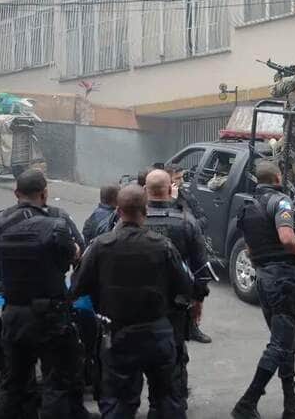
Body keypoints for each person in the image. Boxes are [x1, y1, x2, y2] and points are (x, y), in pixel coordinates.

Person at [0, 169, 93, 419]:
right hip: (51, 314)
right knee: (56, 384)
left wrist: (4, 271)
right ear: (45, 193)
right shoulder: (58, 219)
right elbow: (78, 253)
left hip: (14, 314)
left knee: (13, 386)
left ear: (16, 193)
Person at [70, 185, 193, 418]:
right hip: (158, 333)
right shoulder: (163, 246)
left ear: (118, 210)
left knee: (119, 402)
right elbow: (185, 287)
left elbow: (77, 287)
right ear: (144, 210)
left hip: (119, 335)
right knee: (167, 399)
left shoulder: (100, 246)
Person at [231, 161, 295, 419]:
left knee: (286, 342)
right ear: (278, 177)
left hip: (265, 279)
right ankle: (247, 402)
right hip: (284, 279)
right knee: (279, 344)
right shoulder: (280, 201)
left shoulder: (247, 207)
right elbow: (287, 238)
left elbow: (251, 250)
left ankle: (291, 404)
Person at [142, 169, 211, 413]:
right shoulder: (186, 222)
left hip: (133, 308)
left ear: (145, 190)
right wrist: (198, 300)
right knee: (174, 360)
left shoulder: (128, 219)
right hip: (174, 306)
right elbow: (201, 267)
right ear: (170, 188)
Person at [165, 164, 214, 345]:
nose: (181, 182)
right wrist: (173, 201)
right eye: (177, 179)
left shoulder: (187, 196)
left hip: (187, 250)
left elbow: (203, 218)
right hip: (169, 252)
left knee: (192, 290)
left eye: (181, 178)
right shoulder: (162, 198)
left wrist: (191, 229)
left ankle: (193, 327)